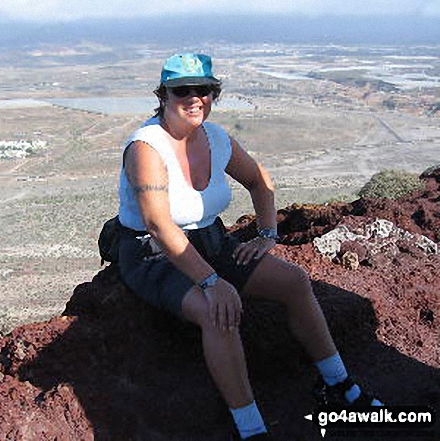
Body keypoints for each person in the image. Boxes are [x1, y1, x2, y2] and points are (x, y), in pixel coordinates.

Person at [116, 53, 382, 441]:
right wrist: (211, 281)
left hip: (210, 241)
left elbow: (261, 181)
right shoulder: (147, 146)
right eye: (182, 91)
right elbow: (158, 224)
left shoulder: (217, 138)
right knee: (218, 311)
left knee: (294, 281)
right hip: (153, 254)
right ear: (164, 95)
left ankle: (338, 385)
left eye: (203, 90)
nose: (194, 98)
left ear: (213, 93)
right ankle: (251, 429)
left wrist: (267, 234)